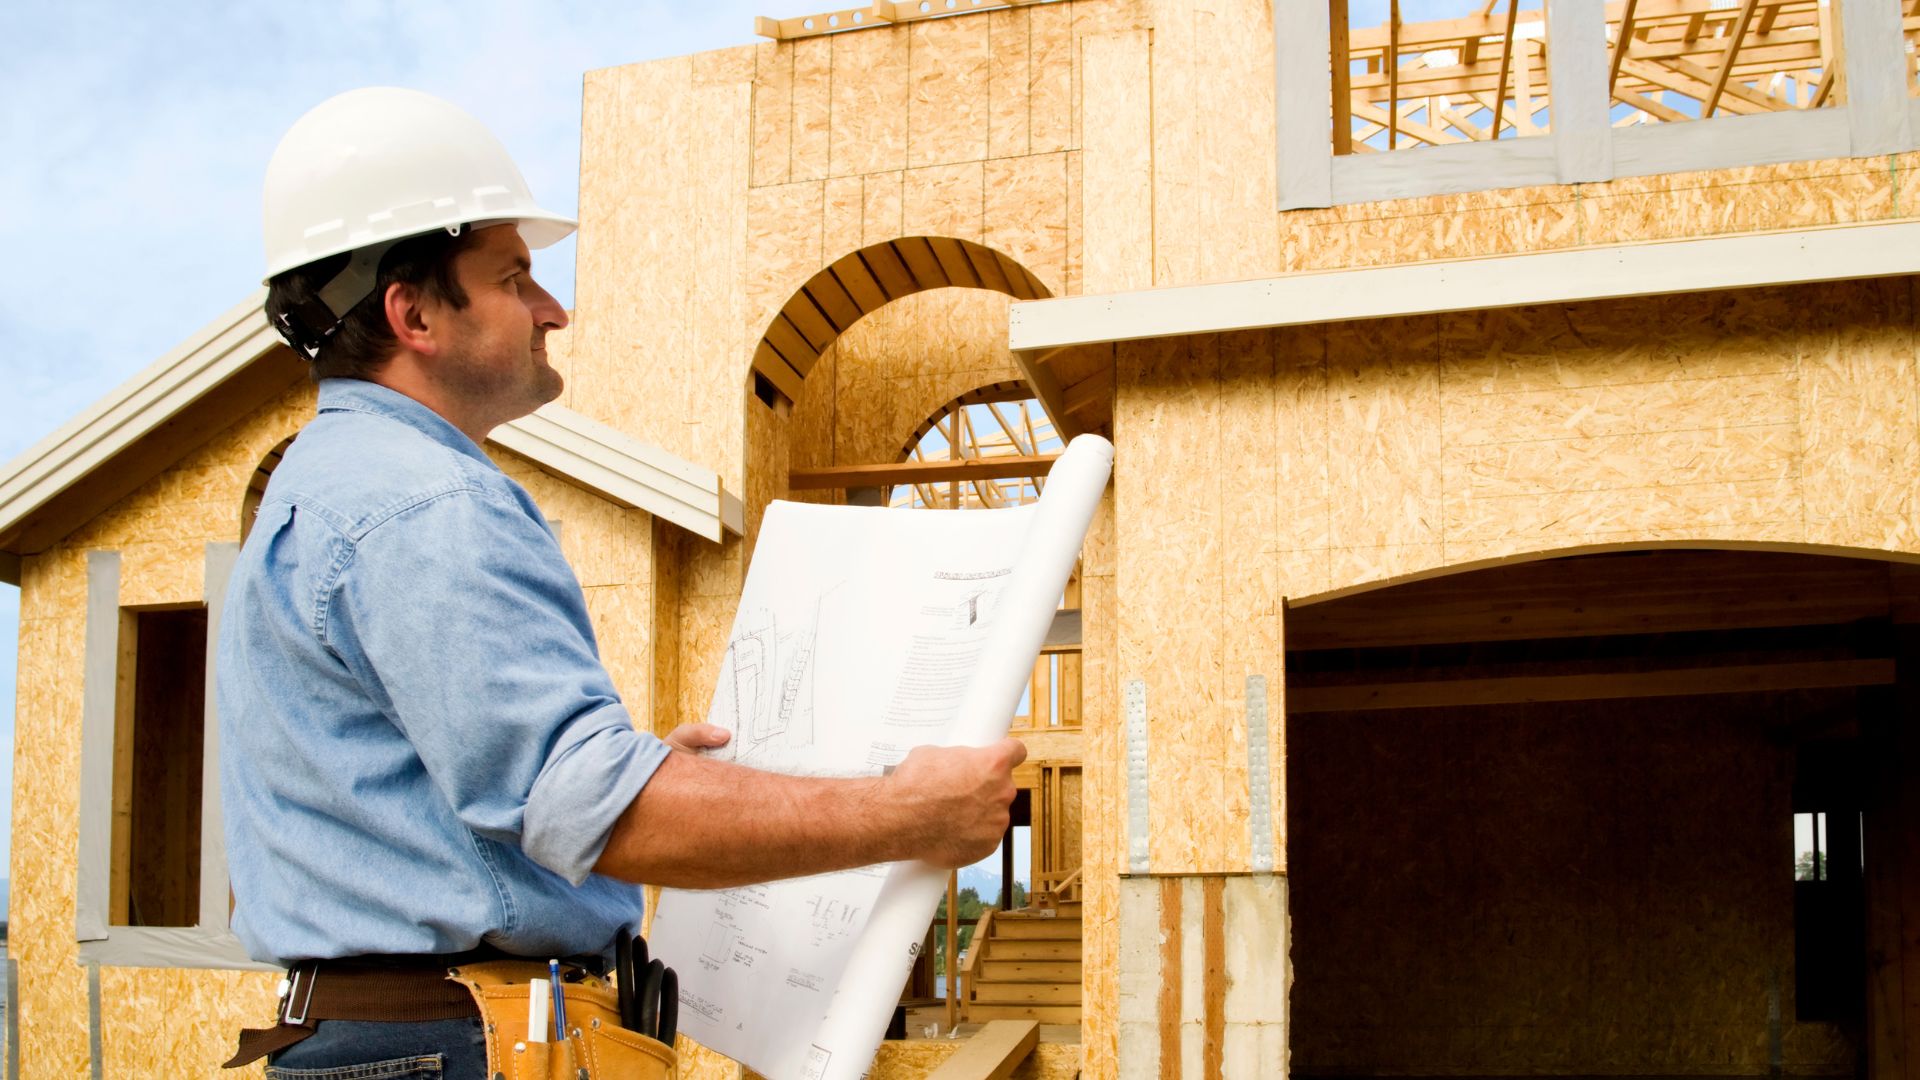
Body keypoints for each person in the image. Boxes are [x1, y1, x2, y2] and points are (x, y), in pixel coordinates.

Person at [219, 87, 1025, 1077]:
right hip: (461, 1044)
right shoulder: (429, 504)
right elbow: (601, 812)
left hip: (387, 1037)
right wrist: (908, 814)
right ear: (414, 312)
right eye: (515, 277)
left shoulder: (324, 485)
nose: (553, 307)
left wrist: (634, 777)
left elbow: (438, 799)